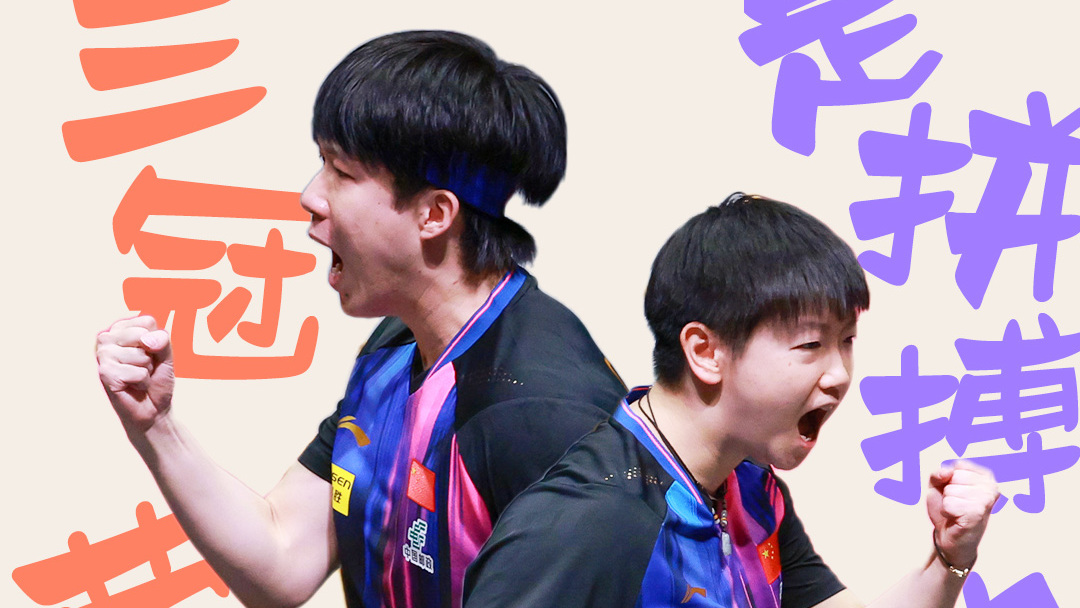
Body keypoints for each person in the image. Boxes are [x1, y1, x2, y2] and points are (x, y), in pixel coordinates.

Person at [96, 30, 625, 608]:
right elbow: (283, 557)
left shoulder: (543, 415)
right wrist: (156, 427)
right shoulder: (395, 349)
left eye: (341, 173)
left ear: (434, 214)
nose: (310, 197)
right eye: (321, 163)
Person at [463, 193, 998, 608]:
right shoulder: (588, 523)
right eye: (810, 345)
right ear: (705, 351)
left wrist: (949, 556)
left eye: (847, 341)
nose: (839, 375)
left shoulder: (750, 488)